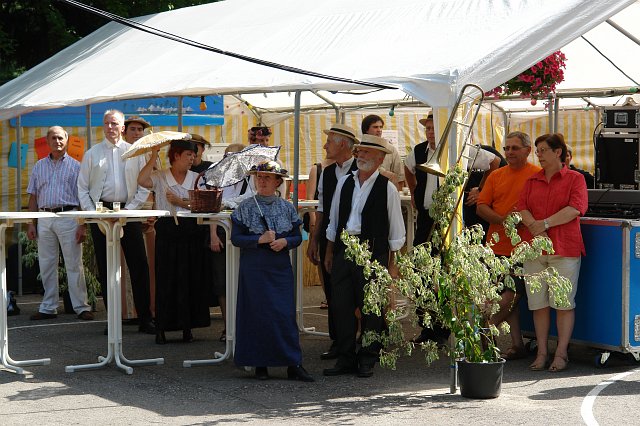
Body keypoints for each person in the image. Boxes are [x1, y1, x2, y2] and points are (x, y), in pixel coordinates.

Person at [323, 134, 405, 378]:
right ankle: (346, 358)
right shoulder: (344, 182)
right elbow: (334, 220)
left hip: (373, 251)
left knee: (371, 308)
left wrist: (393, 265)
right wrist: (330, 251)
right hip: (345, 248)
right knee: (341, 305)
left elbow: (396, 230)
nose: (361, 156)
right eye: (360, 151)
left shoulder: (388, 188)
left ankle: (368, 357)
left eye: (368, 152)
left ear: (380, 158)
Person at [231, 161, 313, 382]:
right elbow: (236, 238)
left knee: (283, 314)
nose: (262, 181)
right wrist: (260, 239)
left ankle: (293, 363)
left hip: (279, 268)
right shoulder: (245, 207)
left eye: (267, 177)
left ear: (278, 182)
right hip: (254, 268)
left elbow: (297, 236)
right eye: (259, 177)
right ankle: (260, 364)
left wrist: (285, 241)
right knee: (257, 314)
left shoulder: (286, 207)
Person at [77, 109, 156, 334]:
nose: (110, 127)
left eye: (114, 124)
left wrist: (130, 210)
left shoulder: (135, 153)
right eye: (107, 123)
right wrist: (95, 213)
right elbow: (82, 187)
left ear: (122, 128)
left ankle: (145, 318)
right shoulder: (92, 153)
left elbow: (144, 185)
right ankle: (112, 319)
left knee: (138, 264)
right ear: (103, 126)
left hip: (128, 212)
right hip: (101, 213)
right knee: (106, 268)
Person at [518, 133, 588, 372]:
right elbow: (522, 207)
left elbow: (576, 208)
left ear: (558, 152)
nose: (538, 155)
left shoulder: (576, 179)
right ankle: (541, 353)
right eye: (537, 151)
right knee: (538, 304)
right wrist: (535, 228)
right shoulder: (531, 180)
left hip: (564, 248)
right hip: (535, 250)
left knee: (563, 304)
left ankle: (561, 353)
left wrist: (544, 224)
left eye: (543, 150)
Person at [137, 139, 212, 344]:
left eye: (194, 155)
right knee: (166, 279)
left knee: (189, 279)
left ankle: (188, 326)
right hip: (167, 231)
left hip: (191, 231)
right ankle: (162, 327)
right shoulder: (161, 176)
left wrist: (181, 202)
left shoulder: (197, 178)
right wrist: (154, 155)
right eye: (188, 155)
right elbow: (142, 180)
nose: (192, 158)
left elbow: (204, 203)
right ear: (176, 155)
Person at [476, 131, 541, 360]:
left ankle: (485, 330)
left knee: (511, 295)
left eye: (515, 148)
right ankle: (516, 344)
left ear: (528, 150)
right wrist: (502, 220)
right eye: (507, 148)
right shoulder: (496, 175)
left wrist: (526, 219)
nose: (509, 152)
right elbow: (481, 206)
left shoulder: (537, 175)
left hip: (525, 248)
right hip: (495, 247)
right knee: (506, 296)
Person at [26, 126, 93, 321]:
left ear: (67, 140)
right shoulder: (38, 166)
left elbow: (83, 198)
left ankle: (81, 307)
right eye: (53, 138)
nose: (57, 141)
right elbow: (33, 197)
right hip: (44, 217)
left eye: (61, 138)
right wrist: (31, 223)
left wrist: (82, 224)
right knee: (47, 264)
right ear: (47, 141)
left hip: (69, 215)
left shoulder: (76, 166)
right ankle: (48, 307)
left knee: (74, 264)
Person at [306, 123, 359, 361]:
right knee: (331, 289)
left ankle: (360, 340)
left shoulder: (360, 170)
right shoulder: (326, 173)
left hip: (355, 238)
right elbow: (321, 208)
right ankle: (338, 340)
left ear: (343, 145)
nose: (325, 146)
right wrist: (314, 239)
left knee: (355, 291)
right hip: (330, 236)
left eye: (329, 141)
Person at [403, 114, 450, 344]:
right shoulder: (419, 150)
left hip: (449, 219)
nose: (430, 132)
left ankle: (444, 327)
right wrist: (414, 192)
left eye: (434, 128)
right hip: (425, 217)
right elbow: (407, 168)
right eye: (428, 128)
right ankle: (427, 326)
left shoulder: (453, 148)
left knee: (444, 272)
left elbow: (493, 161)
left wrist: (478, 190)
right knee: (421, 270)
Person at [207, 143, 247, 342]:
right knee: (222, 282)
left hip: (244, 233)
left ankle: (244, 326)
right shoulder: (218, 178)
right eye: (227, 156)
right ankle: (227, 326)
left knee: (243, 281)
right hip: (222, 232)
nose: (230, 160)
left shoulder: (251, 179)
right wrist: (213, 235)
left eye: (234, 156)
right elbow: (212, 208)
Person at [306, 158, 335, 310]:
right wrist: (313, 220)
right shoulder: (317, 169)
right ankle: (327, 294)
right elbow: (310, 198)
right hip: (320, 219)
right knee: (319, 257)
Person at [463, 144, 505, 235]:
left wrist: (481, 190)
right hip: (466, 212)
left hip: (485, 213)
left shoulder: (485, 151)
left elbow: (497, 164)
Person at [361, 114, 405, 189]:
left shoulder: (390, 149)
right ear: (366, 130)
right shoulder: (359, 150)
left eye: (381, 127)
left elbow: (400, 177)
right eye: (375, 127)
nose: (379, 130)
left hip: (386, 190)